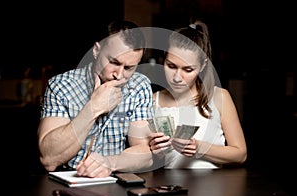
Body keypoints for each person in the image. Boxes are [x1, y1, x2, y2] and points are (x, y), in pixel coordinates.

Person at [37, 20, 153, 177]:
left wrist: (109, 163)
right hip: (67, 180)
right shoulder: (61, 86)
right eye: (114, 62)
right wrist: (94, 107)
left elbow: (145, 154)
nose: (119, 75)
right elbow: (49, 159)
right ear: (96, 50)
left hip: (114, 178)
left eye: (128, 68)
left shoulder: (139, 85)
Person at [149, 19, 247, 169]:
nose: (176, 77)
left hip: (212, 186)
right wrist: (153, 152)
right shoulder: (153, 100)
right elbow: (147, 158)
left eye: (188, 70)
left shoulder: (219, 97)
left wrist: (200, 148)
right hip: (167, 186)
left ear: (202, 66)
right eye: (171, 66)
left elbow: (240, 154)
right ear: (164, 58)